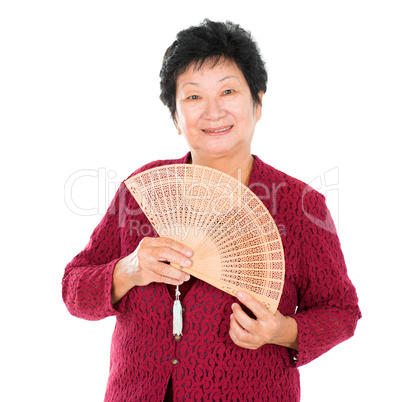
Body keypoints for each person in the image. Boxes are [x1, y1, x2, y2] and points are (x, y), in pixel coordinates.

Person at [62, 19, 361, 401]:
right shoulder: (140, 191)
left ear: (258, 102)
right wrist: (126, 271)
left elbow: (341, 311)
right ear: (175, 116)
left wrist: (282, 331)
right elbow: (74, 289)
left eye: (229, 91)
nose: (213, 111)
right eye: (192, 97)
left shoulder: (298, 205)